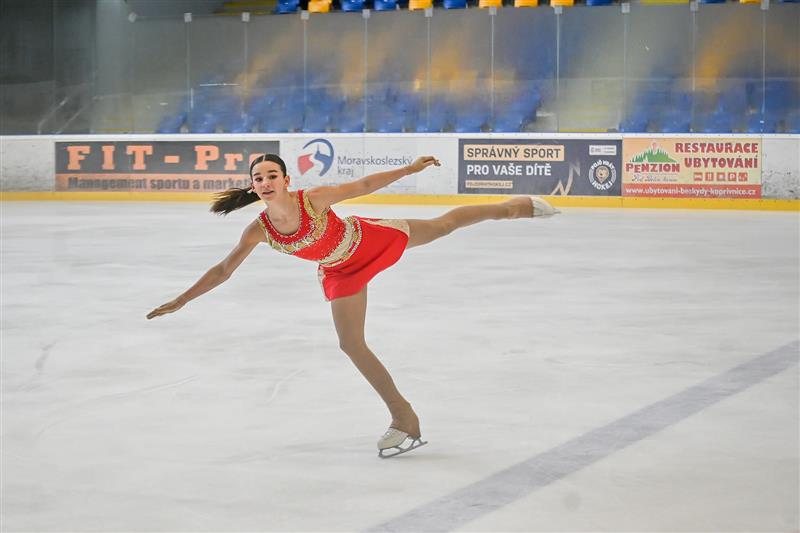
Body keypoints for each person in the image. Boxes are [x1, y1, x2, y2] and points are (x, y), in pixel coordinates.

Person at [146, 153, 559, 458]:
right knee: (350, 344)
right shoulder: (258, 230)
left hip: (367, 240)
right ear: (254, 186)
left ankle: (514, 208)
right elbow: (223, 270)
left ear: (285, 179)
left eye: (273, 174)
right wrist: (182, 299)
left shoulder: (314, 200)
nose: (266, 180)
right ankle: (404, 417)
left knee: (443, 225)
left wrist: (409, 170)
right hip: (341, 272)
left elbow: (364, 187)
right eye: (259, 177)